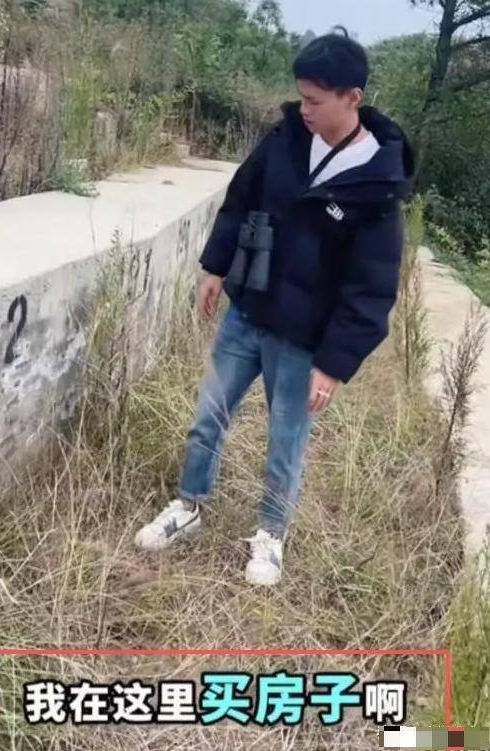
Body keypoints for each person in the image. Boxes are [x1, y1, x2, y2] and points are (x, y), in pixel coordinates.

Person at [134, 27, 415, 586]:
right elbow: (241, 198)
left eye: (315, 100)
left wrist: (333, 365)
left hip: (303, 339)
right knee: (209, 416)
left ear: (352, 98)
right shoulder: (286, 140)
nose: (303, 109)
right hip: (248, 313)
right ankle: (188, 506)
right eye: (301, 97)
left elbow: (372, 286)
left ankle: (269, 535)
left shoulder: (377, 184)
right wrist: (216, 268)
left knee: (286, 441)